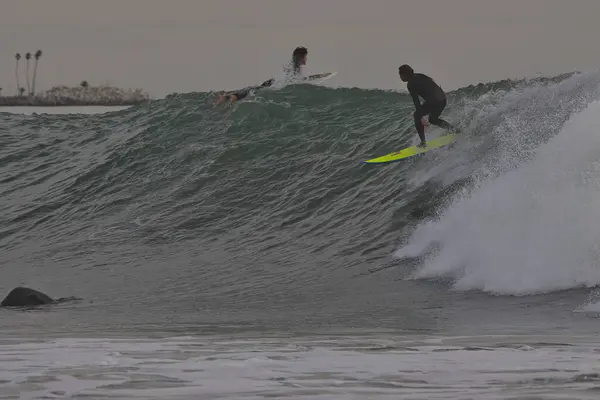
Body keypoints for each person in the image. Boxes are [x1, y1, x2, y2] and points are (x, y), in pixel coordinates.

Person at [215, 46, 308, 106]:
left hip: (271, 82)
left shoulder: (292, 66)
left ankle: (227, 97)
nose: (306, 59)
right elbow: (295, 79)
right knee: (254, 90)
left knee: (253, 89)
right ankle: (234, 96)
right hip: (272, 83)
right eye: (305, 57)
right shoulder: (295, 68)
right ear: (300, 57)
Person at [398, 64, 457, 147]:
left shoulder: (411, 84)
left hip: (435, 101)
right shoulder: (419, 76)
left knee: (416, 115)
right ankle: (454, 130)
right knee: (433, 120)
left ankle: (423, 142)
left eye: (400, 75)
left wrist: (420, 115)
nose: (400, 77)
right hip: (442, 99)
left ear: (405, 74)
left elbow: (416, 101)